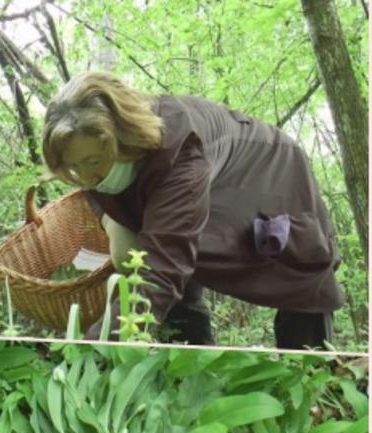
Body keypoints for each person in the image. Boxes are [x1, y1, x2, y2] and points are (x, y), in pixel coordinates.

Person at [41, 71, 344, 349]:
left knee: (297, 267)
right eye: (73, 167)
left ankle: (309, 377)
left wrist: (92, 352)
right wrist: (110, 220)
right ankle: (193, 375)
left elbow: (161, 269)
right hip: (201, 181)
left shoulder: (180, 154)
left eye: (93, 162)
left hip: (268, 175)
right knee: (168, 272)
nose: (87, 178)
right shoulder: (89, 154)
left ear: (123, 137)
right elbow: (99, 192)